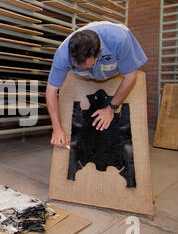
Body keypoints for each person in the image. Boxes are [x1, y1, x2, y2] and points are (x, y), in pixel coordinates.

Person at [46, 21, 148, 149]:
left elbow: (130, 77)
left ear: (100, 51)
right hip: (86, 77)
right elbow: (51, 91)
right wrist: (57, 129)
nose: (82, 68)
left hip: (116, 68)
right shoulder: (62, 55)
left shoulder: (120, 40)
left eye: (86, 65)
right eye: (78, 65)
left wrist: (111, 109)